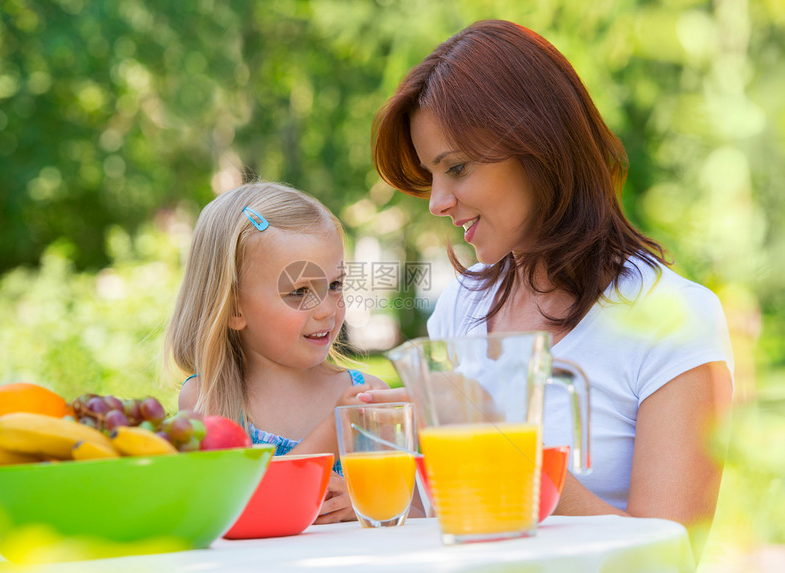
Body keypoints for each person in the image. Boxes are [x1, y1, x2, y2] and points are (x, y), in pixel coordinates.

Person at [365, 19, 733, 556]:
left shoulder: (675, 319)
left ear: (537, 146)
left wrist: (493, 439)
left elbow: (670, 559)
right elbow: (447, 526)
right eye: (431, 175)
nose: (437, 202)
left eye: (457, 168)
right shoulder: (459, 310)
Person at [164, 181, 389, 524]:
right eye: (299, 292)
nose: (328, 309)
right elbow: (238, 511)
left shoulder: (370, 397)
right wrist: (335, 425)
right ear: (234, 309)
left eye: (335, 285)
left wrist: (365, 503)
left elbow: (417, 513)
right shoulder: (209, 401)